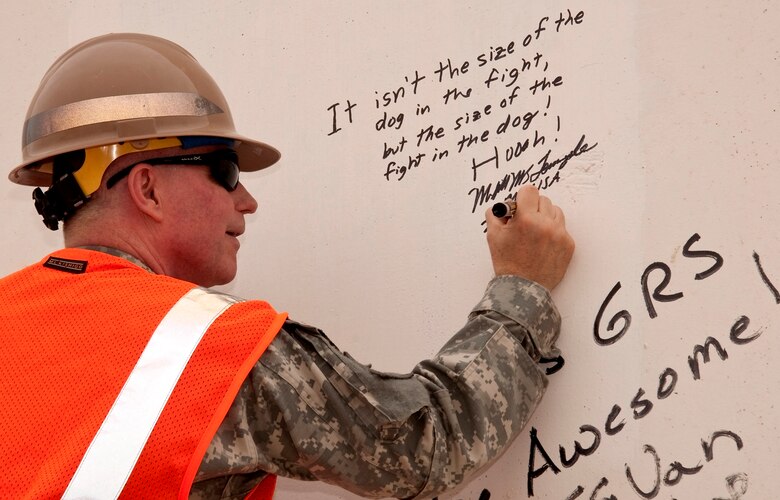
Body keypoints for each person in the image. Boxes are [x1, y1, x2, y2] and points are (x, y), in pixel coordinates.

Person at [0, 33, 574, 499]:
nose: (246, 201)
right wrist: (521, 290)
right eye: (225, 171)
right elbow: (424, 445)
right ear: (146, 188)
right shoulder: (211, 349)